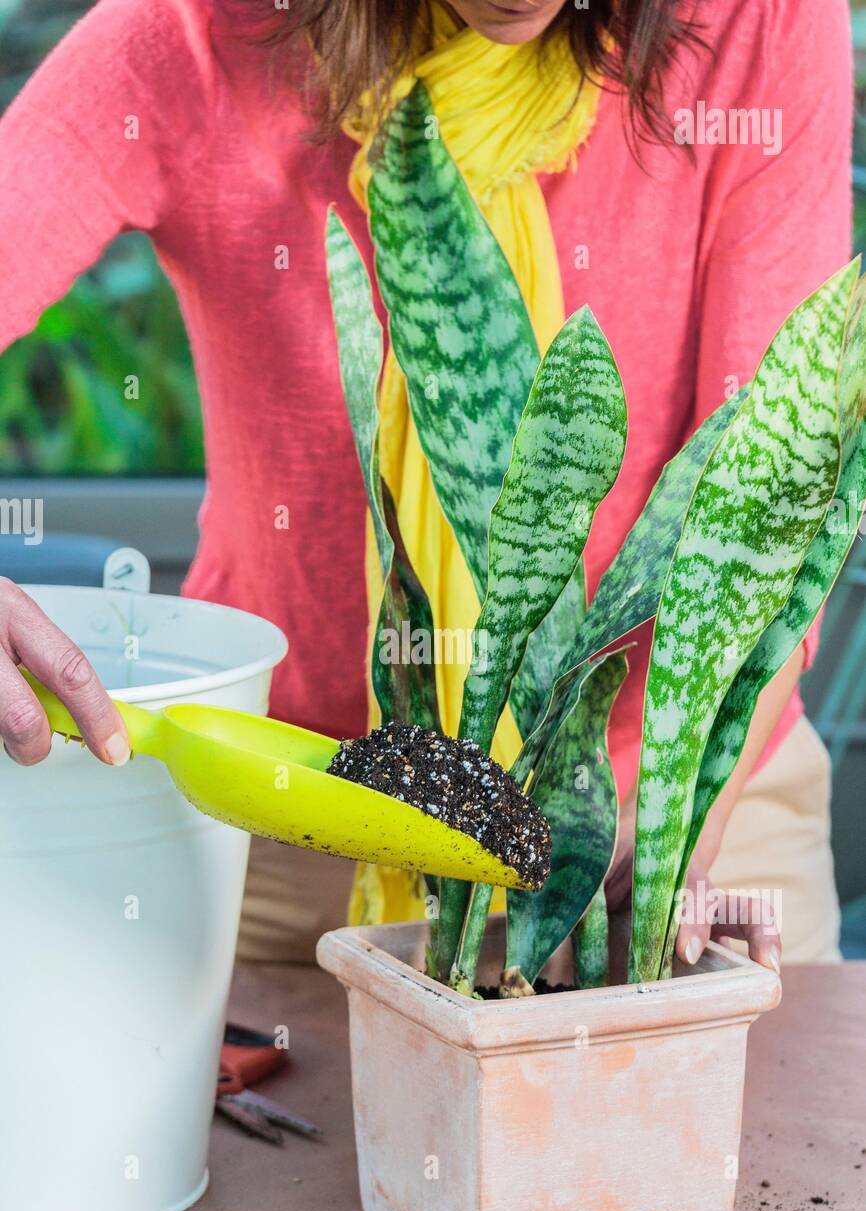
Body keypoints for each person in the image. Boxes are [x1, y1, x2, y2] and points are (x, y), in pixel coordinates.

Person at [0, 0, 852, 972]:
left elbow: (775, 501)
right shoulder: (192, 31)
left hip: (681, 807)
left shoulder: (759, 18)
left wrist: (660, 855)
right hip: (286, 813)